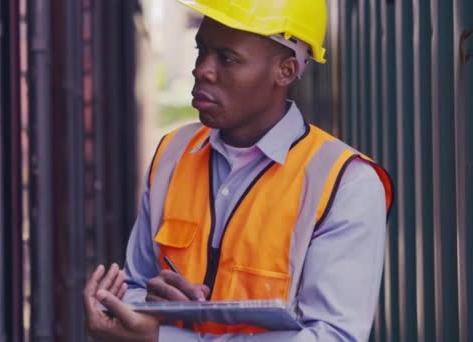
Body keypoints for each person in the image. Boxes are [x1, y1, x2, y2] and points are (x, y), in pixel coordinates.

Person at [83, 0, 393, 341]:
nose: (202, 69)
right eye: (202, 50)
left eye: (227, 58)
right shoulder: (173, 154)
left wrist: (167, 338)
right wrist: (140, 304)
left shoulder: (345, 183)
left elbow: (334, 336)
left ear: (285, 71)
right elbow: (136, 283)